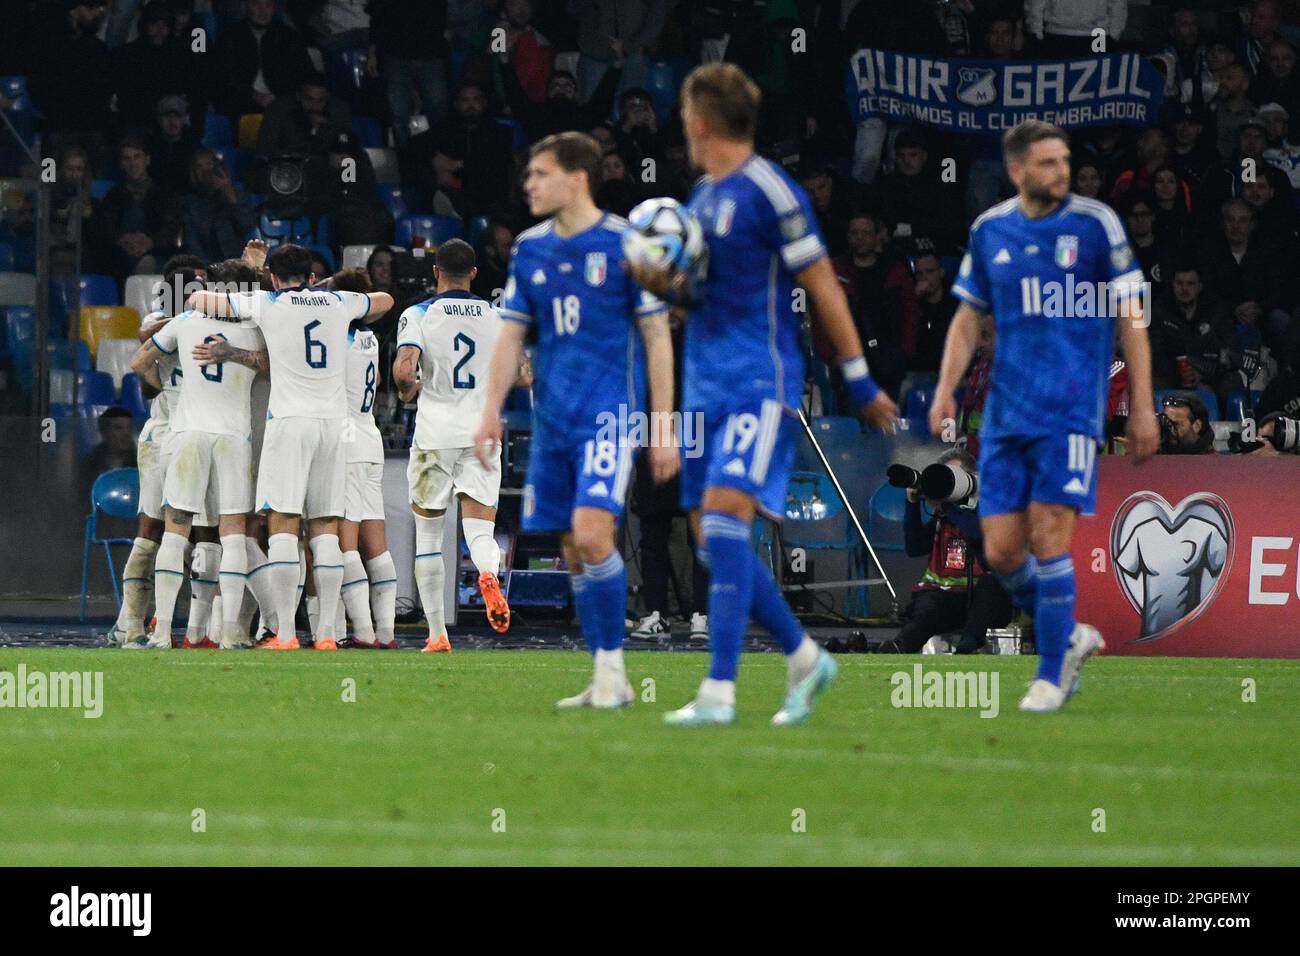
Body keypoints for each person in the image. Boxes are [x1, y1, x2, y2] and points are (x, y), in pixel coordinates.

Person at [627, 63, 897, 726]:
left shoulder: (770, 190)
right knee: (713, 537)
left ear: (700, 121)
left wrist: (858, 377)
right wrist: (668, 287)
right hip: (706, 387)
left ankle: (722, 691)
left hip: (759, 382)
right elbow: (697, 299)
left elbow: (824, 286)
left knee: (720, 527)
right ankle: (800, 659)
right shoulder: (699, 200)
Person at [932, 119, 1159, 713]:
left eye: (1064, 162)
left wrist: (1140, 404)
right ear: (1016, 170)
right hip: (1006, 415)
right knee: (1003, 551)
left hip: (1070, 413)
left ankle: (1049, 673)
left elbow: (1131, 316)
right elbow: (965, 319)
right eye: (1049, 163)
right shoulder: (991, 231)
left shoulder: (1095, 224)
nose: (1062, 172)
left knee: (1050, 537)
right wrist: (945, 389)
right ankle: (1072, 636)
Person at [472, 132, 678, 708]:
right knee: (571, 546)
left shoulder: (627, 244)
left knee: (592, 535)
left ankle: (614, 675)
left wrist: (662, 426)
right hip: (552, 422)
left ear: (577, 177)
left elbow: (658, 335)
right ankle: (603, 675)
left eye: (540, 174)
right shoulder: (530, 249)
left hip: (609, 416)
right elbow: (511, 334)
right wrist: (490, 410)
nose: (529, 184)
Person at [186, 244, 394, 650]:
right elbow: (385, 300)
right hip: (335, 428)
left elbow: (199, 299)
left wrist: (250, 277)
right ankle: (329, 635)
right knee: (326, 527)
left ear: (276, 278)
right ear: (313, 276)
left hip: (289, 424)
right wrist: (335, 294)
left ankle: (284, 632)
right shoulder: (337, 302)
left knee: (282, 522)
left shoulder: (267, 302)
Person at [393, 240, 522, 651]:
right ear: (474, 274)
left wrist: (407, 387)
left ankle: (437, 635)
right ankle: (488, 574)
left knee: (429, 536)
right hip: (481, 433)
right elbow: (525, 373)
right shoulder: (497, 315)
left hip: (435, 433)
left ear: (435, 272)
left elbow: (404, 367)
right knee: (481, 531)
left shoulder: (419, 314)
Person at [127, 273, 267, 649]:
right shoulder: (254, 329)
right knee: (233, 534)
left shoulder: (184, 322)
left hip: (188, 431)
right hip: (233, 436)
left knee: (176, 531)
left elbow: (139, 361)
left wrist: (175, 386)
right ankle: (231, 635)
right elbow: (271, 367)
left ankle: (160, 632)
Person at [874, 450, 1014, 654]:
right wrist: (913, 504)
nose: (947, 484)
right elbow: (915, 548)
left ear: (971, 480)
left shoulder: (991, 508)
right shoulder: (944, 516)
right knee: (930, 603)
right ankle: (899, 646)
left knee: (991, 583)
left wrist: (950, 505)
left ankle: (965, 649)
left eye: (952, 477)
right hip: (948, 602)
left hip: (987, 602)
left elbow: (979, 535)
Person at [326, 267, 399, 650]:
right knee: (377, 543)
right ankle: (385, 632)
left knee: (346, 543)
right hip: (370, 437)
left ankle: (364, 632)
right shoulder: (369, 336)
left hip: (347, 441)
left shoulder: (340, 335)